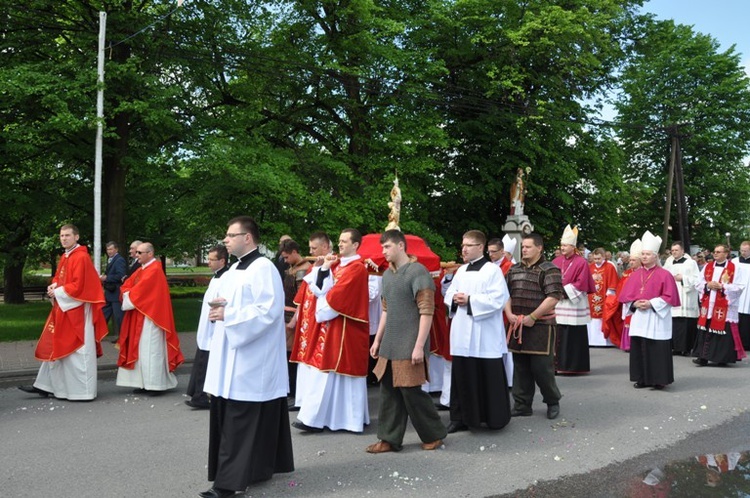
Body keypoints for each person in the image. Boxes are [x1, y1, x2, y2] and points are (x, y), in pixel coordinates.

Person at [202, 216, 293, 498]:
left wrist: (230, 315)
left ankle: (227, 485)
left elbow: (269, 311)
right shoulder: (231, 271)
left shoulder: (264, 268)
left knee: (240, 419)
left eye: (231, 235)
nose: (225, 240)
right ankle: (259, 468)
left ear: (248, 238)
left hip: (252, 357)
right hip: (228, 354)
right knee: (230, 414)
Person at [365, 230, 447, 453]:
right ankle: (389, 439)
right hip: (391, 343)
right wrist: (378, 339)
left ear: (401, 246)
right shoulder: (388, 275)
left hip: (410, 342)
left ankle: (434, 434)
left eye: (387, 247)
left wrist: (419, 345)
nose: (383, 251)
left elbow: (426, 311)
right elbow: (386, 310)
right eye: (382, 248)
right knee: (389, 390)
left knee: (411, 391)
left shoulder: (418, 272)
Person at [291, 228, 371, 433]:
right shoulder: (337, 265)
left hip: (347, 328)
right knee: (325, 371)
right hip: (333, 325)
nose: (341, 244)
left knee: (335, 372)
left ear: (355, 245)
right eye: (340, 240)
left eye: (345, 241)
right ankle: (322, 418)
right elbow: (319, 289)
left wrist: (322, 306)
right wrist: (324, 268)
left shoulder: (357, 268)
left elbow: (337, 297)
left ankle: (342, 420)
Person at [19, 224, 109, 400]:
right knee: (56, 343)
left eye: (67, 235)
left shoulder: (81, 257)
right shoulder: (66, 256)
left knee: (76, 350)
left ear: (76, 237)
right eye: (61, 236)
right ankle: (46, 385)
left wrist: (58, 292)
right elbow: (60, 278)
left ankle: (81, 391)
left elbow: (79, 286)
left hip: (77, 311)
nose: (64, 238)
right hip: (65, 308)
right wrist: (54, 286)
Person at [443, 230, 511, 433]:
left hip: (485, 334)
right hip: (462, 330)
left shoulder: (492, 271)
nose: (463, 249)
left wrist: (470, 300)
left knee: (486, 375)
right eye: (462, 245)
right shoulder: (461, 271)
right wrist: (454, 299)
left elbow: (498, 299)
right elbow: (449, 294)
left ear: (480, 247)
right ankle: (460, 418)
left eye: (468, 245)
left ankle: (493, 418)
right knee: (462, 375)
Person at [505, 233, 565, 419]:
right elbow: (505, 294)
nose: (524, 250)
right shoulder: (514, 270)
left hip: (542, 325)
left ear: (539, 248)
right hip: (518, 324)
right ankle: (522, 404)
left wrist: (533, 316)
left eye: (528, 247)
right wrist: (509, 314)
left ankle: (552, 401)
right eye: (523, 247)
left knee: (542, 368)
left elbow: (553, 297)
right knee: (520, 367)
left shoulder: (550, 270)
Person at [116, 242, 184, 393]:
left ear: (150, 254)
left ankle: (155, 385)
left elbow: (138, 292)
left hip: (152, 318)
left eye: (140, 253)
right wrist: (127, 291)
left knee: (152, 351)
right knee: (140, 350)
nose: (137, 255)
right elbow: (126, 285)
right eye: (137, 252)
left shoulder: (153, 270)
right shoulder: (142, 270)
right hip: (141, 314)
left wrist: (128, 293)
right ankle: (142, 383)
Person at [619, 231, 680, 389]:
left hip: (656, 317)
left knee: (656, 349)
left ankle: (659, 379)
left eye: (647, 254)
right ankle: (642, 378)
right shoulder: (634, 275)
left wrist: (651, 303)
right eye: (643, 254)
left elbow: (669, 297)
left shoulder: (665, 275)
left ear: (655, 256)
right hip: (640, 317)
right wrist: (634, 304)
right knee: (640, 347)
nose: (644, 257)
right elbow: (626, 298)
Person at [288, 231, 332, 411]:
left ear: (325, 247)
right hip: (307, 320)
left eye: (314, 248)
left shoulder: (333, 266)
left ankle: (313, 405)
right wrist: (296, 319)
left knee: (316, 362)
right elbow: (303, 297)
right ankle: (303, 400)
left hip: (320, 320)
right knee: (304, 360)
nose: (311, 251)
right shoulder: (312, 266)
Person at [185, 245, 229, 409]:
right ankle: (196, 393)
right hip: (207, 324)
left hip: (214, 324)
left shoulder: (226, 277)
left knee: (206, 360)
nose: (208, 263)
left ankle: (202, 396)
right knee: (202, 358)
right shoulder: (216, 277)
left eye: (212, 260)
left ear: (222, 261)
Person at [692, 244, 745, 366]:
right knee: (705, 328)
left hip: (724, 305)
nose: (715, 254)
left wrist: (722, 286)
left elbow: (739, 287)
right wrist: (707, 286)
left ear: (726, 254)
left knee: (722, 331)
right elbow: (698, 283)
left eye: (718, 252)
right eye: (714, 251)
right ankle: (703, 357)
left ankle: (722, 358)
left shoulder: (734, 268)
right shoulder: (707, 267)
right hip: (709, 303)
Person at [552, 225, 596, 374]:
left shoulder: (581, 262)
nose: (562, 248)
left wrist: (564, 292)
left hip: (573, 304)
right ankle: (557, 365)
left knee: (572, 335)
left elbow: (582, 282)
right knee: (558, 334)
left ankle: (573, 367)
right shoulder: (556, 261)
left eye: (565, 245)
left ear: (573, 246)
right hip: (558, 303)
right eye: (561, 245)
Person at [279, 238, 311, 408]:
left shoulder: (302, 271)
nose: (285, 261)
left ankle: (294, 393)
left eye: (286, 257)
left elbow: (302, 300)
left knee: (292, 356)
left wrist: (293, 321)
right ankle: (290, 391)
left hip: (292, 316)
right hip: (287, 314)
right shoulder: (294, 268)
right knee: (287, 355)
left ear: (294, 252)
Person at [663, 241, 701, 356]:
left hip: (686, 295)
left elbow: (697, 279)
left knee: (686, 323)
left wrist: (683, 278)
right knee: (674, 323)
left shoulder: (691, 263)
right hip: (673, 294)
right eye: (672, 250)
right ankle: (675, 347)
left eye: (676, 250)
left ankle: (687, 348)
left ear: (682, 251)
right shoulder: (668, 263)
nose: (674, 252)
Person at [588, 248, 619, 347]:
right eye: (595, 258)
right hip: (592, 296)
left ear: (603, 257)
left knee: (604, 316)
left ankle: (604, 341)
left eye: (598, 258)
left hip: (604, 296)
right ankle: (592, 340)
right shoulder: (590, 267)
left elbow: (613, 282)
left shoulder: (609, 267)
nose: (596, 261)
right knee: (592, 317)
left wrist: (609, 294)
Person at [100, 241, 127, 342]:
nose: (109, 251)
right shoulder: (111, 259)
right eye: (107, 249)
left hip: (116, 294)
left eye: (111, 249)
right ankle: (98, 335)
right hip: (109, 293)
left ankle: (123, 337)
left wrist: (106, 278)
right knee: (103, 315)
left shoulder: (119, 260)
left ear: (116, 249)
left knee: (119, 317)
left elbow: (121, 276)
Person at [732, 241, 750, 350]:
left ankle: (747, 343)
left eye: (745, 251)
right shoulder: (735, 262)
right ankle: (735, 341)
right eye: (741, 250)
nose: (743, 253)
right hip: (738, 292)